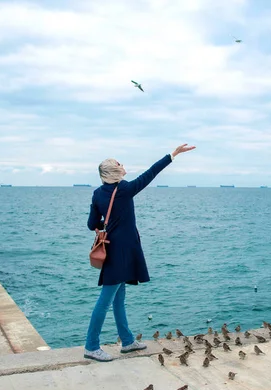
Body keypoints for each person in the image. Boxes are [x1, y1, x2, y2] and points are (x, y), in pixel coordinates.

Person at [84, 143, 196, 362]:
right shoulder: (124, 189)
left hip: (114, 250)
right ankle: (91, 346)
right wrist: (172, 155)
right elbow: (151, 173)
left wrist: (107, 222)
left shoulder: (98, 193)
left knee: (118, 298)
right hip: (122, 251)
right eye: (120, 164)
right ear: (115, 172)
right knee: (105, 300)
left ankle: (127, 341)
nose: (123, 166)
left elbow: (91, 224)